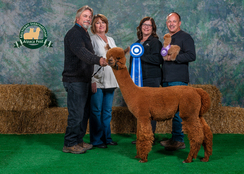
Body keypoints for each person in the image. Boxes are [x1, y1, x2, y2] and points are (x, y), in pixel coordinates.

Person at [62, 5, 108, 154]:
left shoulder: (83, 33)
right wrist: (99, 60)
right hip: (75, 80)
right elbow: (82, 53)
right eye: (85, 16)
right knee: (76, 114)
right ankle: (69, 143)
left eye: (89, 16)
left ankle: (78, 141)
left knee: (84, 113)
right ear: (77, 18)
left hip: (84, 80)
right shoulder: (74, 34)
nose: (88, 19)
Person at [160, 12, 196, 151]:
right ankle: (175, 138)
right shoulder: (168, 39)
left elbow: (192, 55)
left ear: (179, 23)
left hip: (178, 79)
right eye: (169, 21)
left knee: (177, 112)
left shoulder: (185, 37)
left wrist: (174, 58)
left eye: (174, 21)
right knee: (171, 110)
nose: (171, 24)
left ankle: (179, 140)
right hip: (167, 79)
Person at [129, 17, 163, 145]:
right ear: (140, 26)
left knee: (151, 110)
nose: (147, 27)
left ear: (153, 28)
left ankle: (150, 137)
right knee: (141, 110)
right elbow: (132, 63)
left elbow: (158, 60)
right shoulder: (137, 43)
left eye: (149, 25)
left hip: (151, 79)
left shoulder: (155, 42)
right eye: (144, 24)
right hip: (137, 81)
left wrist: (141, 55)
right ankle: (142, 135)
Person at [89, 14, 119, 148]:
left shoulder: (111, 40)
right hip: (98, 80)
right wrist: (92, 79)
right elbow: (88, 61)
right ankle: (96, 140)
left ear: (106, 25)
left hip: (111, 79)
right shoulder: (92, 40)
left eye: (103, 22)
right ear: (93, 26)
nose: (101, 25)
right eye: (97, 23)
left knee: (107, 111)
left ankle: (107, 138)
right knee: (96, 111)